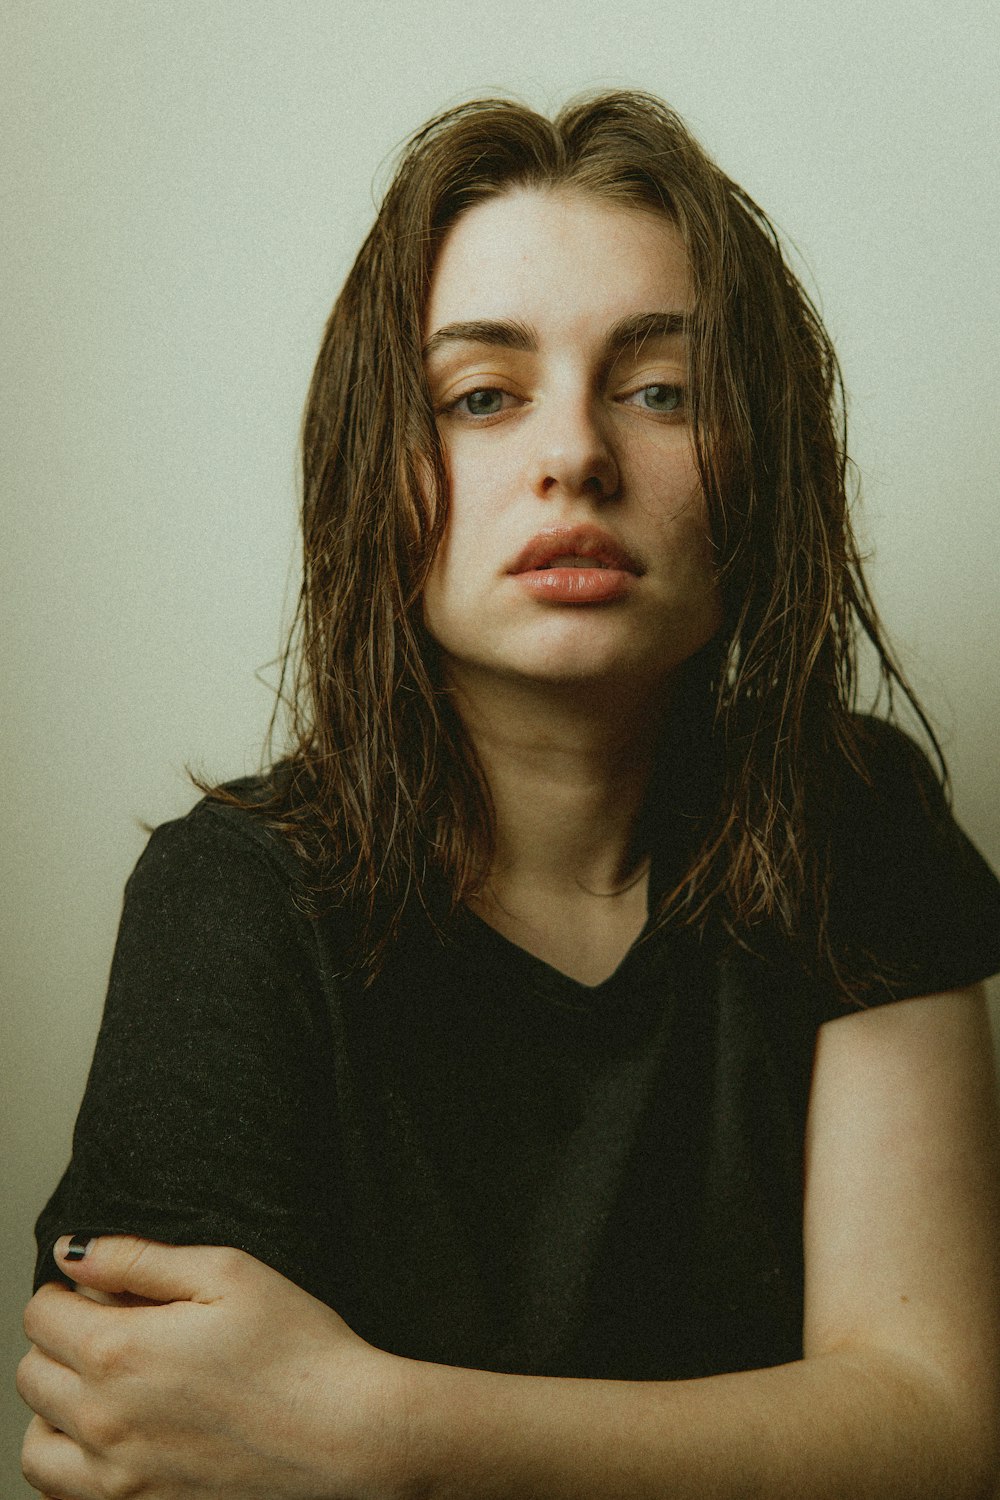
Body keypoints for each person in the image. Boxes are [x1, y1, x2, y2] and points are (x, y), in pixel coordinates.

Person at [18, 91, 1000, 1499]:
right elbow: (152, 1453)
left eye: (660, 388)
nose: (575, 457)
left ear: (764, 461)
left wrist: (381, 1435)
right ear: (374, 474)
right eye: (481, 396)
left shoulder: (858, 827)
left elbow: (934, 1432)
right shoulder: (232, 897)